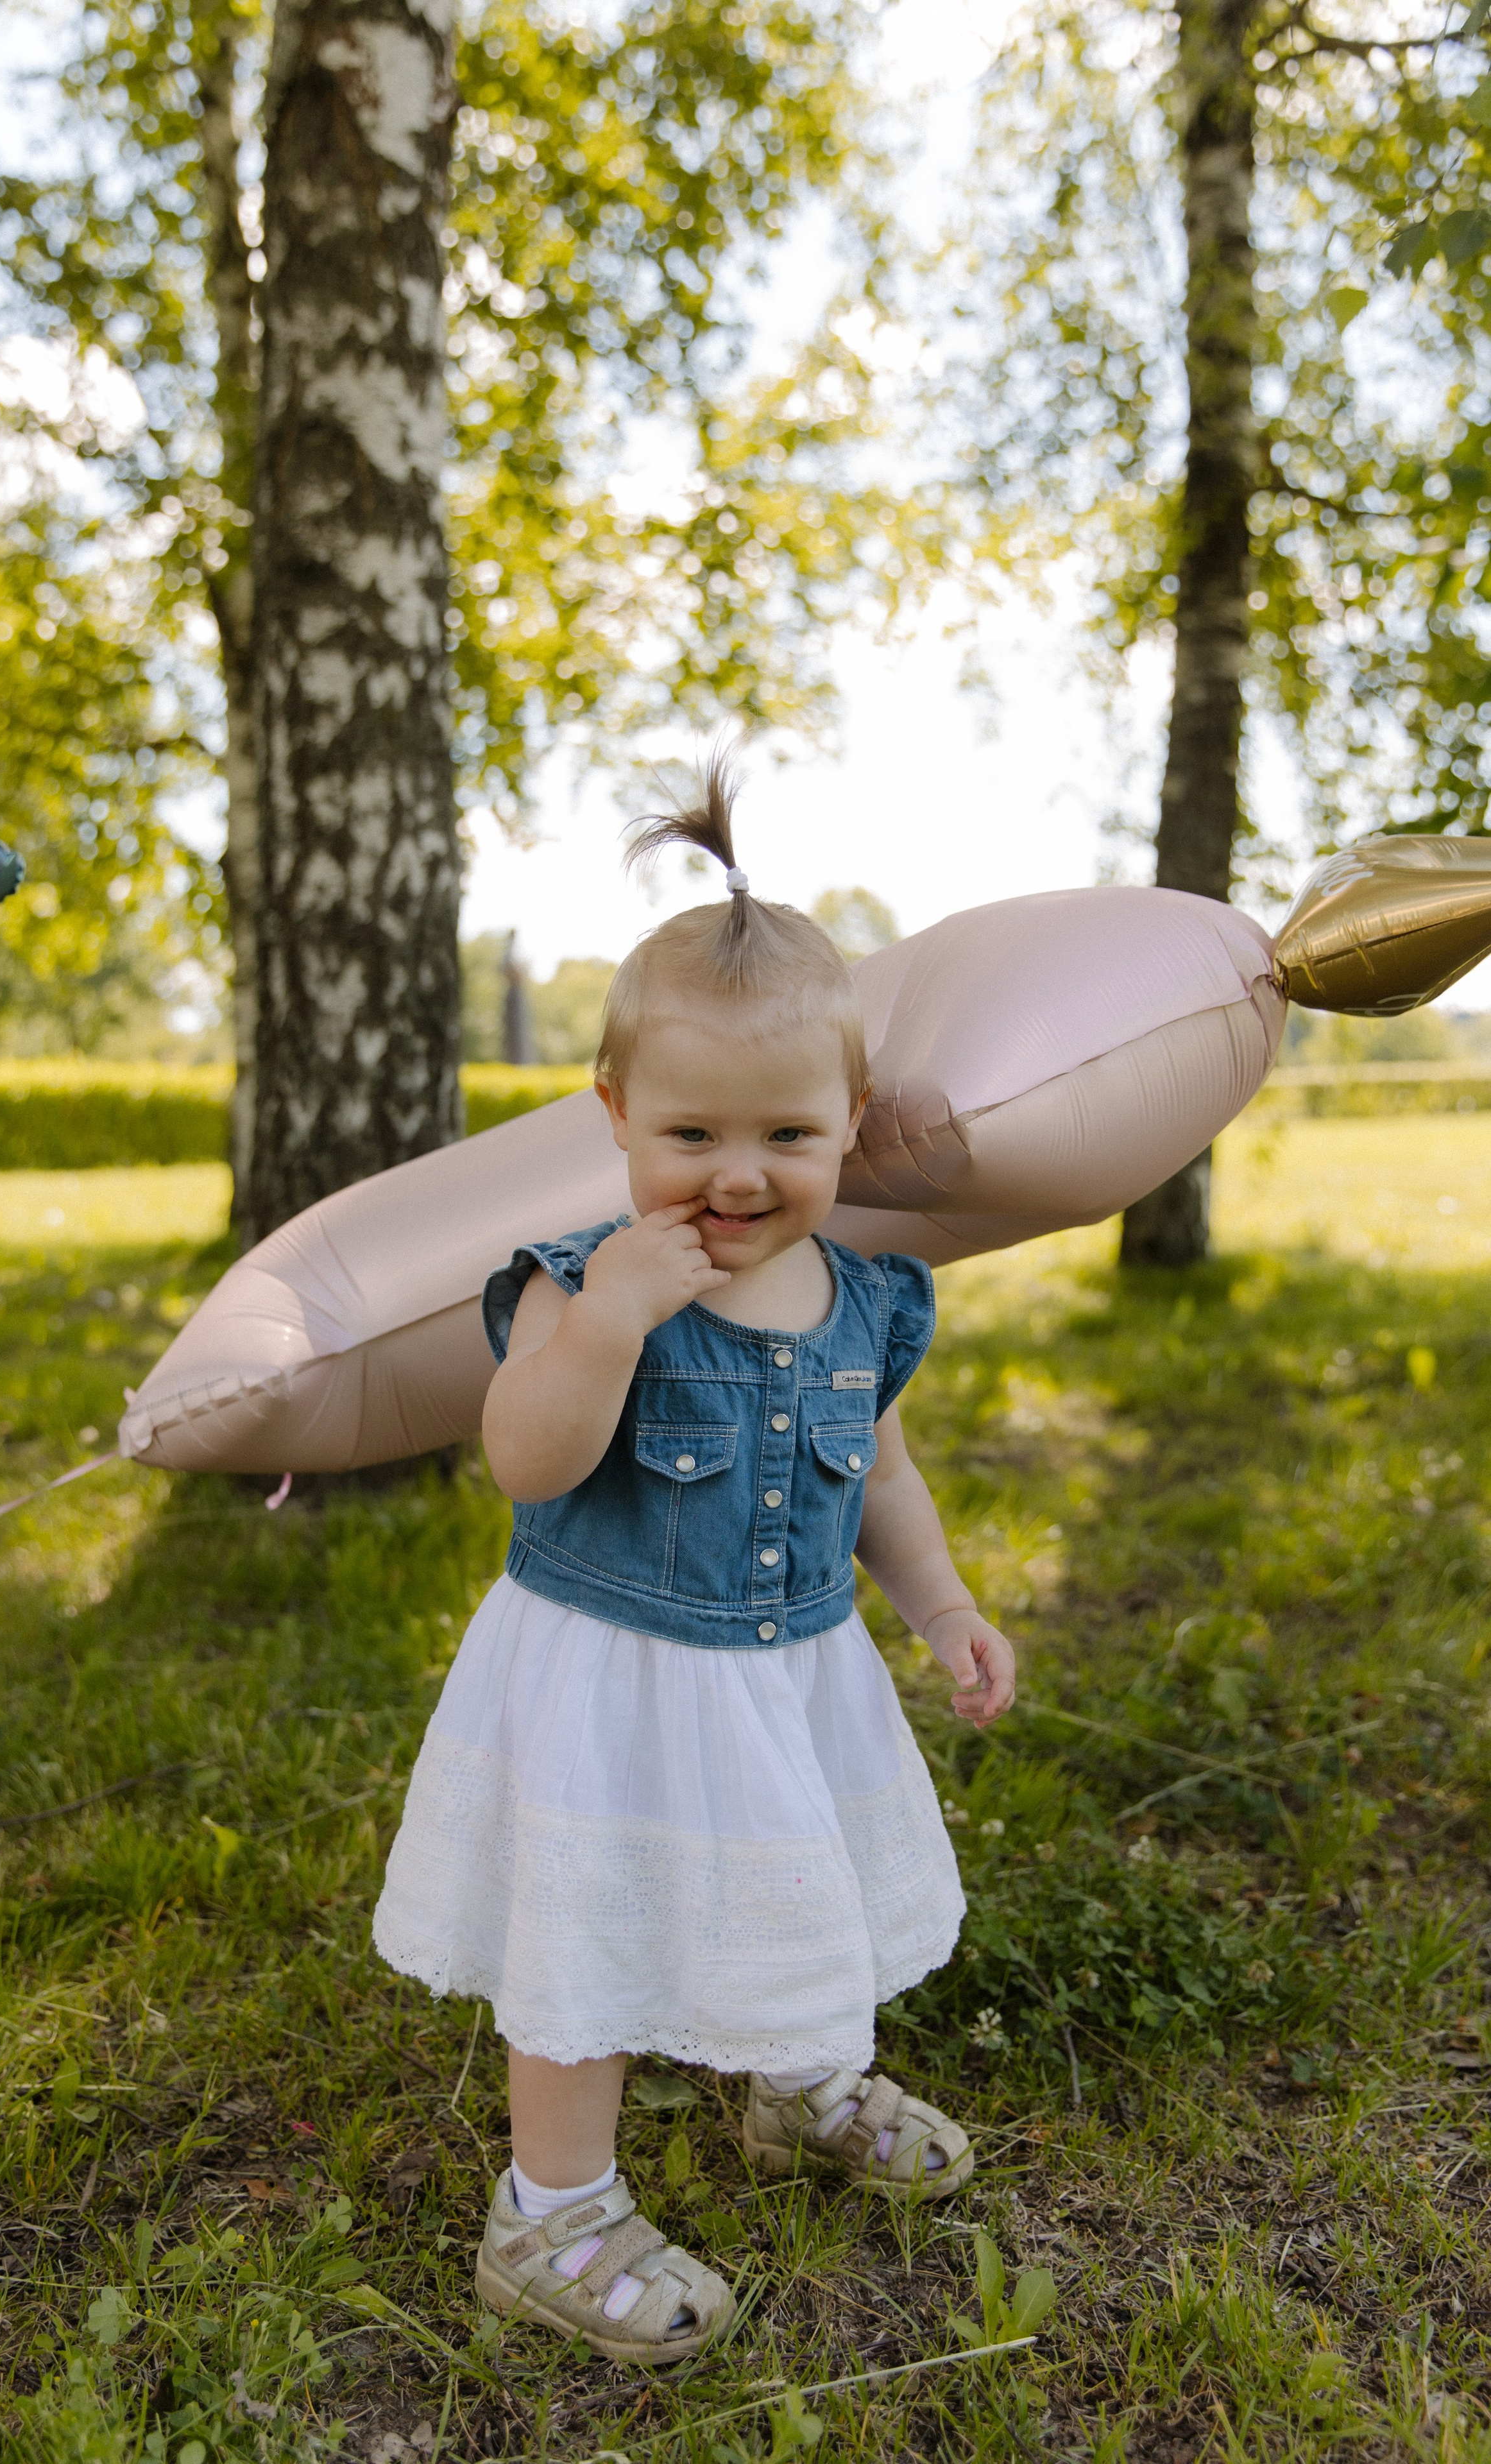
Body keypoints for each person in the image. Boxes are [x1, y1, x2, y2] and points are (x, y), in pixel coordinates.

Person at [373, 751, 1018, 2365]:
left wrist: (933, 1600)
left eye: (787, 1134)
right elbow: (526, 1460)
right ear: (612, 1117)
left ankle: (793, 2083)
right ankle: (554, 2208)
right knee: (585, 1939)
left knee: (792, 1884)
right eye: (690, 1133)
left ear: (849, 1124)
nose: (737, 1176)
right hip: (608, 1680)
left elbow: (874, 1466)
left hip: (789, 1673)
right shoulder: (572, 1283)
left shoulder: (865, 1301)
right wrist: (608, 1327)